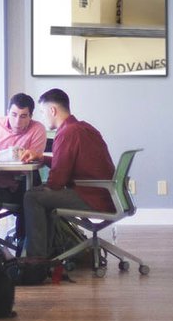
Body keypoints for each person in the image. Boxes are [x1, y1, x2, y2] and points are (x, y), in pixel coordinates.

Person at [21, 88, 115, 260]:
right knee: (41, 194)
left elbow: (56, 182)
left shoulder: (67, 133)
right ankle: (47, 253)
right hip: (104, 194)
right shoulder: (82, 127)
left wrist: (45, 187)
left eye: (42, 112)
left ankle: (36, 260)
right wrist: (42, 158)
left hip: (91, 197)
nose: (42, 117)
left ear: (52, 110)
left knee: (32, 196)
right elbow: (68, 164)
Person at [0, 93, 48, 240]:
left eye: (23, 116)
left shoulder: (37, 129)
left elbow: (31, 163)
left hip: (19, 183)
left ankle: (25, 245)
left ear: (30, 116)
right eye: (14, 115)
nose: (17, 121)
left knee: (32, 188)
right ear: (7, 112)